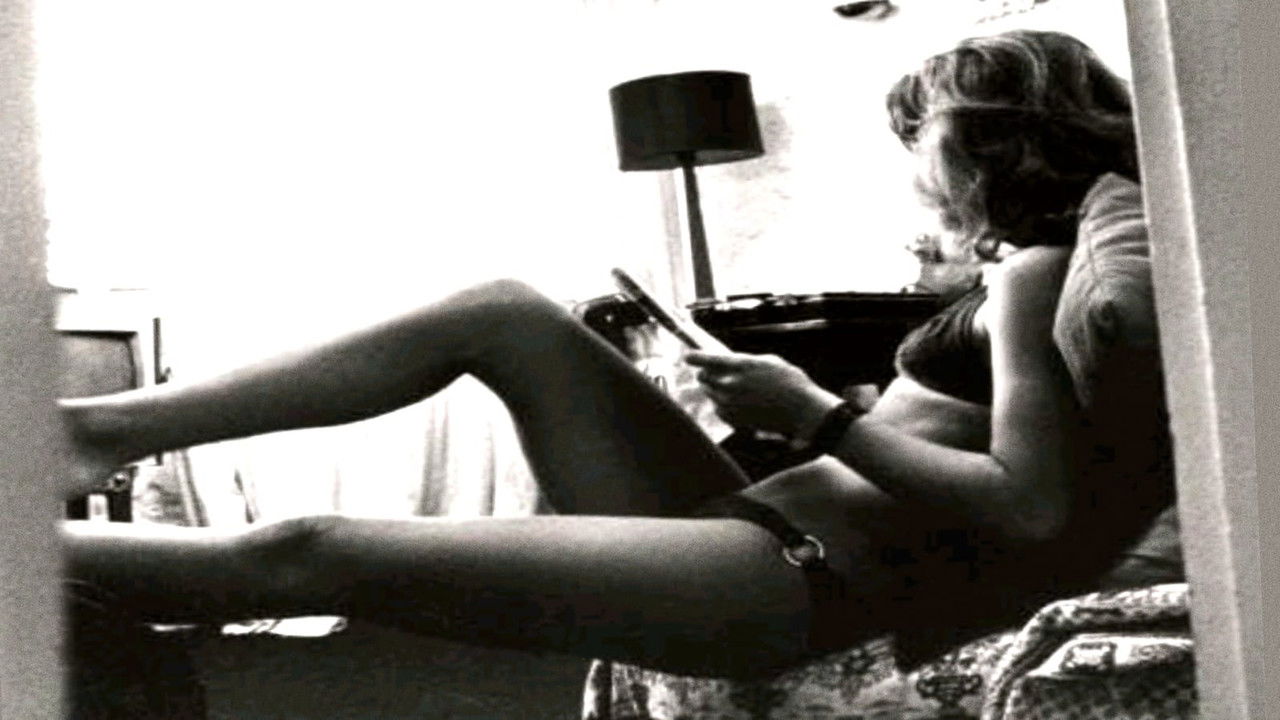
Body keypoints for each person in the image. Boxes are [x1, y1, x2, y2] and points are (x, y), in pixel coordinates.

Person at [58, 29, 1174, 682]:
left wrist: (814, 414)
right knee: (501, 310)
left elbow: (1026, 507)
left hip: (797, 575)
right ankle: (92, 433)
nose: (915, 169)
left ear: (980, 140)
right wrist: (849, 408)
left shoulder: (1033, 272)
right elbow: (984, 445)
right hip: (763, 523)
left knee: (310, 546)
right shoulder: (1025, 268)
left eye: (917, 137)